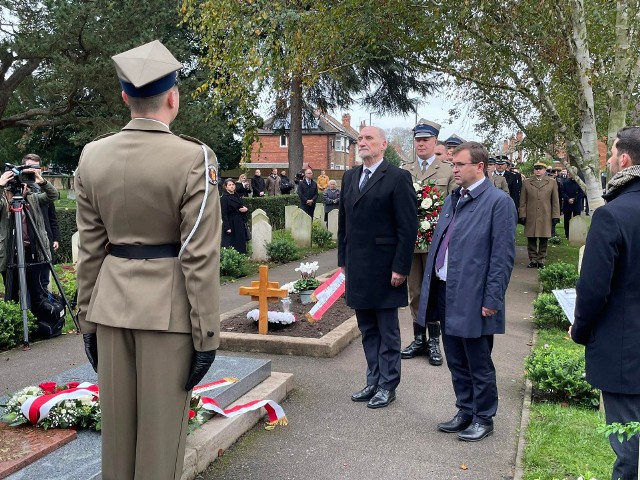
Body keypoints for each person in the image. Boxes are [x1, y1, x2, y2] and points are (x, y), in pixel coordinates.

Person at [75, 40, 221, 480]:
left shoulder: (92, 156)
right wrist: (207, 334)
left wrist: (87, 322)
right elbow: (199, 255)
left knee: (117, 445)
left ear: (125, 97)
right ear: (173, 97)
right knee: (159, 447)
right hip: (169, 312)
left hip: (111, 309)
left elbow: (89, 250)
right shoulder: (194, 158)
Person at [417, 142, 517, 442]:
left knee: (478, 360)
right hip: (447, 290)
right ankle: (465, 410)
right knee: (456, 357)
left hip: (475, 296)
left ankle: (484, 417)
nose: (454, 169)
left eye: (459, 164)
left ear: (479, 166)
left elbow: (502, 257)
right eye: (453, 163)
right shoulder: (453, 199)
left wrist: (492, 299)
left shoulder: (498, 203)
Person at [571, 126, 640, 480]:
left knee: (629, 447)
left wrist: (580, 330)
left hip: (625, 350)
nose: (609, 160)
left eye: (611, 154)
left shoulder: (612, 214)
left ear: (624, 159)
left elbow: (593, 289)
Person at [338, 126, 416, 409]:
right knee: (367, 328)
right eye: (360, 138)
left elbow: (407, 228)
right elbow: (344, 225)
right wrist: (343, 261)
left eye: (369, 138)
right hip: (358, 266)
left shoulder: (397, 178)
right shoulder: (350, 177)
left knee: (387, 330)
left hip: (385, 268)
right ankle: (373, 379)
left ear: (383, 145)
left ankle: (388, 384)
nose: (362, 142)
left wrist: (401, 267)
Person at [400, 119, 456, 366]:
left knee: (433, 292)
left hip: (437, 243)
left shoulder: (447, 170)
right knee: (415, 291)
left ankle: (434, 342)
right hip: (411, 242)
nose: (421, 144)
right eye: (418, 140)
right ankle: (418, 338)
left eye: (426, 140)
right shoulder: (405, 170)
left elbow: (455, 207)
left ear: (435, 142)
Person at [0, 164, 58, 309]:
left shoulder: (34, 199)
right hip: (10, 253)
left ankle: (38, 321)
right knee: (11, 294)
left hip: (31, 251)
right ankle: (16, 323)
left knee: (36, 291)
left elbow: (53, 195)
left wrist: (42, 181)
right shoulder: (4, 201)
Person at [22, 153, 61, 292]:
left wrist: (55, 238)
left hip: (43, 239)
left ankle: (43, 307)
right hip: (24, 244)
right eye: (29, 167)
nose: (33, 170)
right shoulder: (15, 189)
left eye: (36, 167)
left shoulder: (43, 189)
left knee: (43, 279)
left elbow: (52, 216)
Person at [519, 161, 560, 268]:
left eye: (540, 168)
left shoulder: (551, 182)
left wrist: (555, 215)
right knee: (531, 238)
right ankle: (533, 259)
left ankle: (541, 260)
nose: (538, 170)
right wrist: (522, 214)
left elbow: (555, 201)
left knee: (544, 238)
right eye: (536, 168)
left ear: (544, 170)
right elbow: (523, 200)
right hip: (531, 214)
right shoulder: (527, 182)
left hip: (545, 214)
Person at [221, 178, 249, 254]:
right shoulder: (224, 198)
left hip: (239, 220)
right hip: (231, 222)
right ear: (226, 187)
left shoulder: (236, 195)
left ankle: (242, 255)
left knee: (240, 240)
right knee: (232, 241)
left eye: (233, 184)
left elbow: (241, 206)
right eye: (229, 185)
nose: (232, 186)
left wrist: (245, 209)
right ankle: (233, 257)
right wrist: (227, 227)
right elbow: (224, 213)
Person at [559, 170, 584, 239]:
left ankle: (576, 234)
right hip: (567, 204)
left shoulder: (580, 183)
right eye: (569, 172)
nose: (570, 174)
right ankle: (567, 234)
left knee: (577, 219)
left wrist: (574, 199)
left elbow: (581, 193)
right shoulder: (565, 182)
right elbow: (562, 192)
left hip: (576, 203)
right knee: (567, 220)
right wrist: (568, 199)